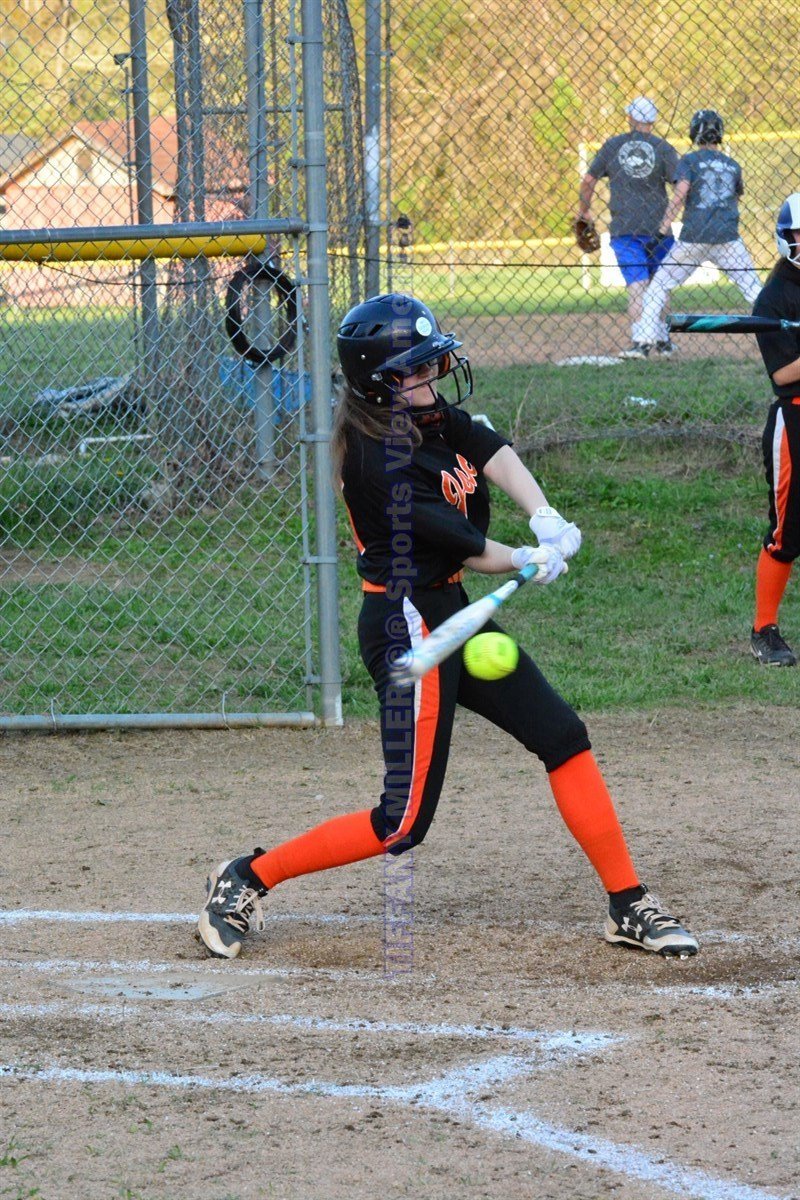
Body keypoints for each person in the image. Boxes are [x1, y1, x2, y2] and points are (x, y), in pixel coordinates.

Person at [198, 293, 699, 962]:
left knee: (562, 736)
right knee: (400, 823)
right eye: (414, 369)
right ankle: (246, 877)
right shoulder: (376, 463)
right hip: (408, 626)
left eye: (430, 363)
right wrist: (523, 559)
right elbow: (470, 547)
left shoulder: (424, 415)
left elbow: (488, 448)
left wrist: (544, 515)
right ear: (379, 382)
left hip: (450, 608)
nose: (430, 378)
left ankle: (627, 902)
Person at [626, 109, 763, 357]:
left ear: (694, 133)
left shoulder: (690, 161)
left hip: (694, 237)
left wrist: (661, 231)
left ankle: (644, 342)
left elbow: (680, 195)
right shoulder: (732, 165)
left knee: (659, 285)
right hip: (727, 238)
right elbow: (735, 198)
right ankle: (784, 330)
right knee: (753, 288)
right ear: (719, 133)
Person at [578, 96, 679, 357]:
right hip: (659, 228)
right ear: (653, 121)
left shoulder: (613, 146)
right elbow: (680, 186)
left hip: (625, 229)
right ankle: (663, 341)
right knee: (660, 285)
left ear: (630, 118)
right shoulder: (663, 147)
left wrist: (585, 210)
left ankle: (639, 341)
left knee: (637, 285)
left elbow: (588, 180)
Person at [748, 193, 800, 666]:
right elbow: (783, 374)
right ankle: (764, 630)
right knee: (788, 531)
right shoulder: (775, 297)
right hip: (795, 419)